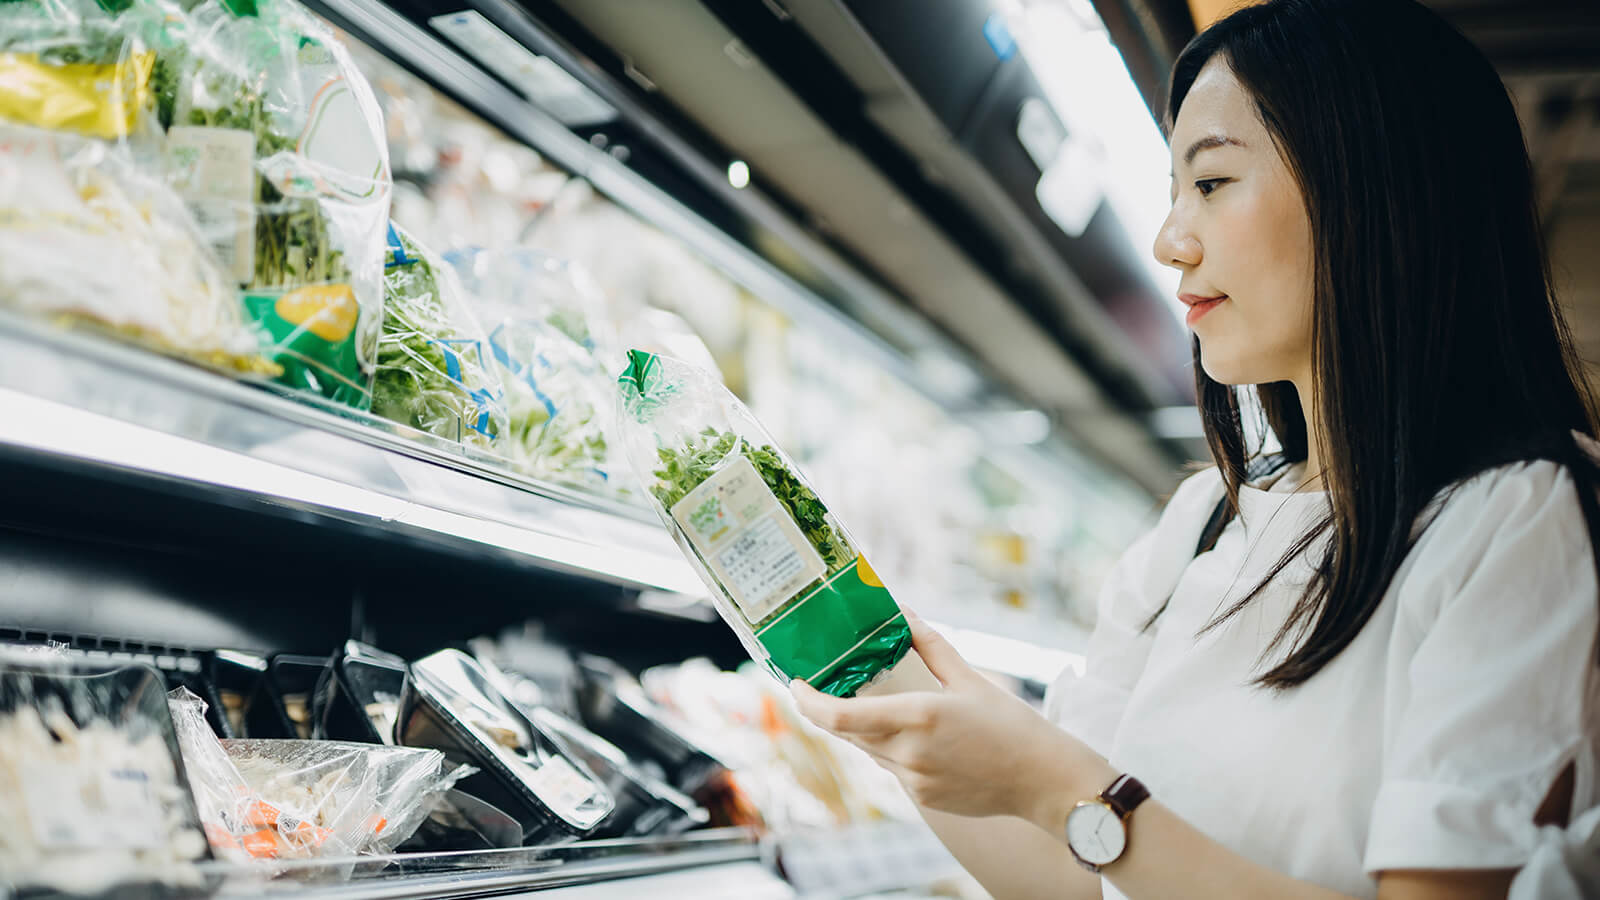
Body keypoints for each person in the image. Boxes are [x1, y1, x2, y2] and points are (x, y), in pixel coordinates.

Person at [789, 1, 1600, 898]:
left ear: (1375, 187)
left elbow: (1089, 823)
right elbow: (1073, 879)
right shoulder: (1200, 526)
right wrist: (853, 656)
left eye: (1210, 183)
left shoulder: (1520, 518)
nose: (1169, 241)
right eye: (1174, 191)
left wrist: (1063, 789)